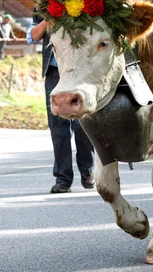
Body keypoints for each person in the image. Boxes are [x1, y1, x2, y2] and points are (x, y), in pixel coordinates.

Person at [27, 10, 95, 193]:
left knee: (83, 126)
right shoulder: (47, 5)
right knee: (58, 129)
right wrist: (49, 18)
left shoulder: (83, 2)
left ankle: (88, 171)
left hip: (79, 71)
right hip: (55, 73)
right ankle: (63, 179)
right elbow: (32, 36)